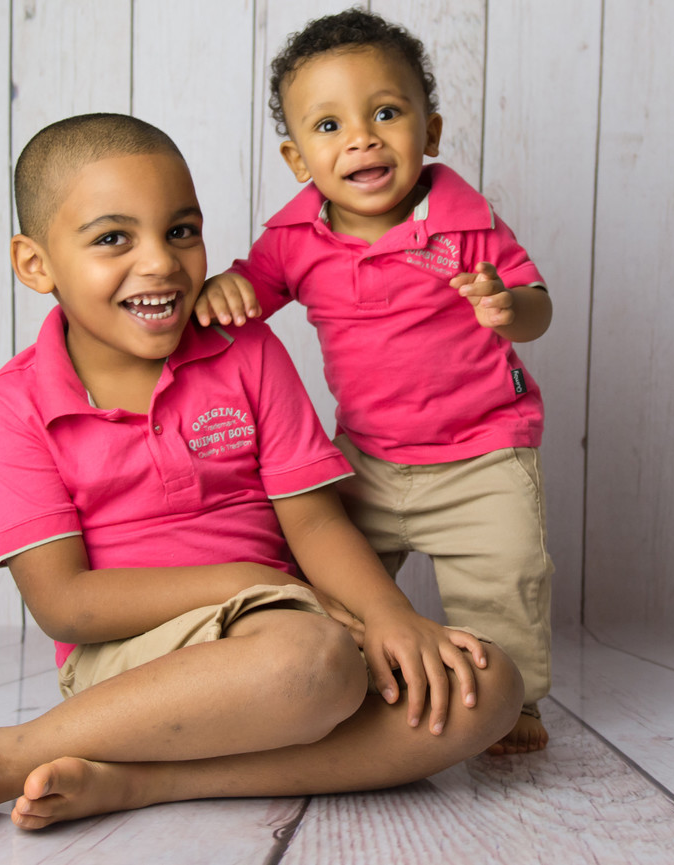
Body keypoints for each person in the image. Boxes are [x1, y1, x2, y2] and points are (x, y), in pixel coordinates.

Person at [0, 113, 522, 861]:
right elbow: (66, 602)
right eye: (113, 238)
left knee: (491, 685)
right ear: (36, 264)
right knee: (311, 664)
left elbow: (315, 524)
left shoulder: (244, 350)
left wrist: (387, 614)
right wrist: (252, 583)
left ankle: (139, 781)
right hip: (142, 652)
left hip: (283, 629)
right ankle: (5, 754)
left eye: (182, 231)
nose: (160, 262)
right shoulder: (15, 403)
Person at [197, 9, 553, 754]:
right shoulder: (295, 238)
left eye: (386, 112)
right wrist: (224, 291)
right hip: (365, 459)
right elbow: (249, 293)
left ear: (429, 132)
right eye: (328, 127)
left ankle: (512, 700)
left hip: (482, 453)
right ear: (298, 160)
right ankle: (344, 682)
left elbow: (537, 307)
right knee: (320, 583)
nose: (360, 137)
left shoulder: (468, 221)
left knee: (504, 581)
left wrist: (506, 304)